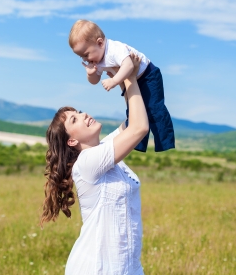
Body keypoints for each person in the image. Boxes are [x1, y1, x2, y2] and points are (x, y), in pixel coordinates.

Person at [41, 53, 148, 275]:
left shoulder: (103, 150)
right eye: (74, 119)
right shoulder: (87, 163)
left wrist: (118, 69)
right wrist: (128, 78)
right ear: (72, 141)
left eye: (78, 112)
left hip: (127, 268)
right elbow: (139, 128)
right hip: (96, 269)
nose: (84, 115)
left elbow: (135, 118)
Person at [69, 19, 175, 153]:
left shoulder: (114, 49)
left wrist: (114, 81)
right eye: (81, 57)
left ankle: (165, 142)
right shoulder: (97, 59)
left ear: (100, 43)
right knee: (134, 112)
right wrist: (91, 74)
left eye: (86, 54)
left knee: (154, 108)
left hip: (148, 75)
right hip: (132, 80)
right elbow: (95, 80)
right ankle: (137, 144)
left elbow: (129, 65)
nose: (86, 59)